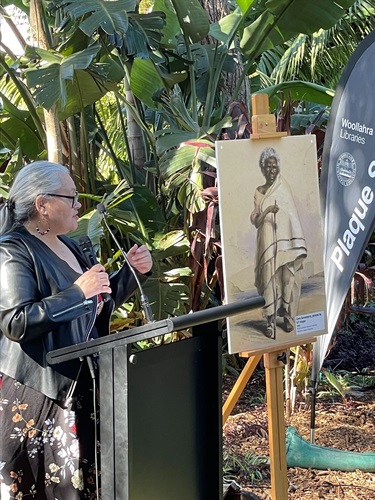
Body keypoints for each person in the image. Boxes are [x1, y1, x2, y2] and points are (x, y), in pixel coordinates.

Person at [0, 161, 152, 499]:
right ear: (42, 204)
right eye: (71, 197)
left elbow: (91, 310)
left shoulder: (69, 244)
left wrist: (130, 275)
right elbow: (16, 322)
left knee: (89, 484)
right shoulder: (13, 250)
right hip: (44, 393)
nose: (78, 205)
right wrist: (78, 291)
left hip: (86, 384)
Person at [250, 147, 307, 338]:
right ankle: (270, 321)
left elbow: (291, 216)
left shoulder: (284, 186)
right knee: (269, 278)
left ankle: (288, 317)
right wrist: (267, 211)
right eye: (268, 166)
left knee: (288, 276)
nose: (272, 170)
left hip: (286, 244)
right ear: (263, 168)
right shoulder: (259, 192)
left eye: (274, 166)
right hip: (267, 241)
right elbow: (257, 221)